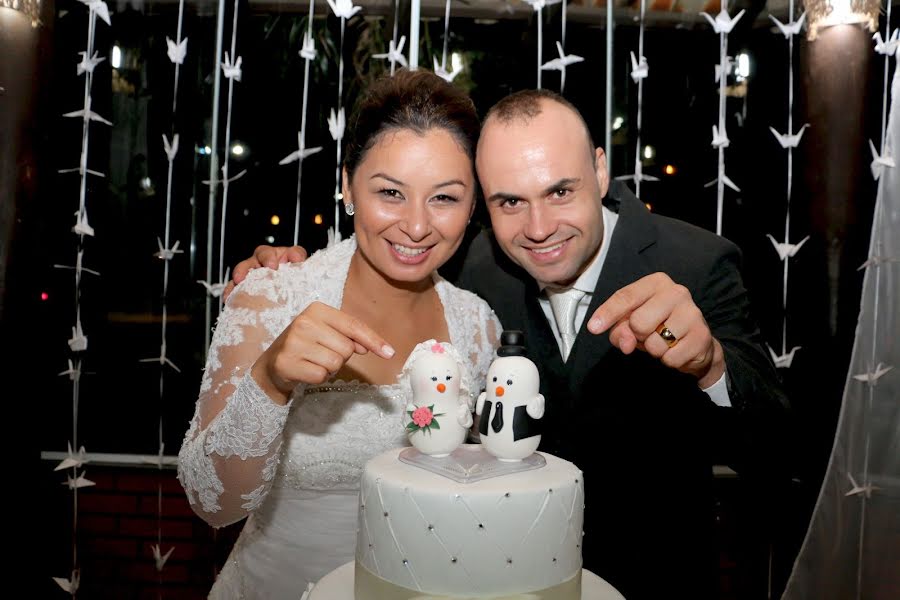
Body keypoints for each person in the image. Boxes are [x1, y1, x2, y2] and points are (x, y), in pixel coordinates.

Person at [231, 89, 789, 598]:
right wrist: (277, 271)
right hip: (499, 580)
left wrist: (711, 366)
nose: (539, 226)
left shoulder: (696, 261)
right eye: (509, 202)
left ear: (599, 169)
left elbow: (777, 451)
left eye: (561, 191)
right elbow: (392, 255)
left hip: (650, 584)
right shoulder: (477, 271)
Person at [177, 70, 502, 599]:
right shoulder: (270, 296)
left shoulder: (479, 325)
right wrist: (270, 378)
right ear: (348, 183)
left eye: (444, 198)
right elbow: (211, 504)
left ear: (473, 205)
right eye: (390, 192)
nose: (417, 226)